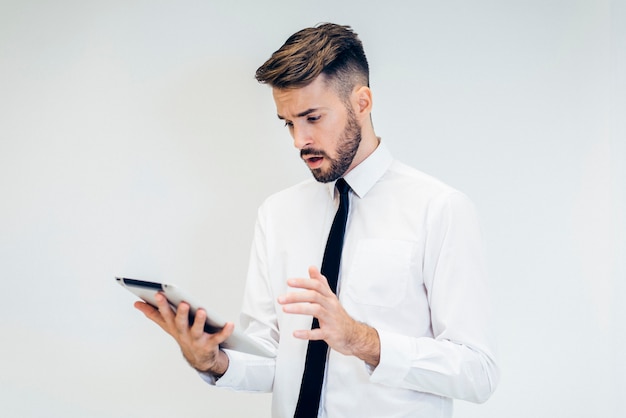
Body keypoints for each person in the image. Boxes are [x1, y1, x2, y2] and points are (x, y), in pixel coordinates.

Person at [135, 23, 499, 418]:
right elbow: (276, 356)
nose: (298, 140)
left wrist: (363, 340)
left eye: (312, 117)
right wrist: (213, 362)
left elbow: (477, 372)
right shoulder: (277, 214)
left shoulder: (439, 208)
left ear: (362, 102)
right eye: (288, 122)